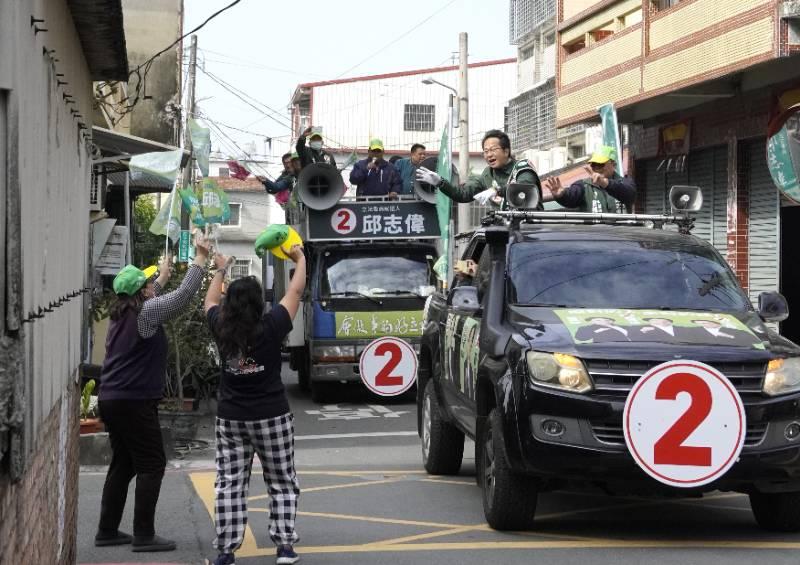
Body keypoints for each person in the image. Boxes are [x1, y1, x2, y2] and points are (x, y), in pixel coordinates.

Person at [95, 232, 212, 553]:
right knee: (151, 463)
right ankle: (144, 535)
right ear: (142, 291)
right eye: (149, 284)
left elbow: (155, 291)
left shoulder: (123, 311)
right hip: (133, 401)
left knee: (124, 463)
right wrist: (200, 257)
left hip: (112, 398)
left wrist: (163, 272)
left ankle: (107, 530)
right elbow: (185, 295)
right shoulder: (147, 313)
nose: (153, 286)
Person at [204, 244, 307, 565]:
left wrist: (220, 268)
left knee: (229, 484)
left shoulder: (220, 324)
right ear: (260, 302)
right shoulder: (273, 324)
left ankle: (226, 550)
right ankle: (285, 548)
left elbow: (208, 301)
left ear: (229, 303)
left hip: (231, 418)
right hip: (272, 416)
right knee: (282, 482)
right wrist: (300, 259)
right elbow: (296, 290)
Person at [415, 129, 541, 209]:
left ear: (506, 151)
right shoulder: (487, 174)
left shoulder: (522, 168)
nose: (489, 155)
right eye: (485, 151)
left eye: (493, 150)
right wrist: (440, 183)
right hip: (503, 232)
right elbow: (463, 195)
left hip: (530, 231)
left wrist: (496, 190)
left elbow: (525, 189)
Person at [543, 146, 636, 213]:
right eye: (593, 165)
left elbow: (630, 195)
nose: (596, 168)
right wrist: (562, 195)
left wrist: (605, 183)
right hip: (594, 237)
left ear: (613, 164)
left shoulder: (625, 183)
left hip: (621, 237)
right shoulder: (583, 185)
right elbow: (571, 197)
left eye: (600, 164)